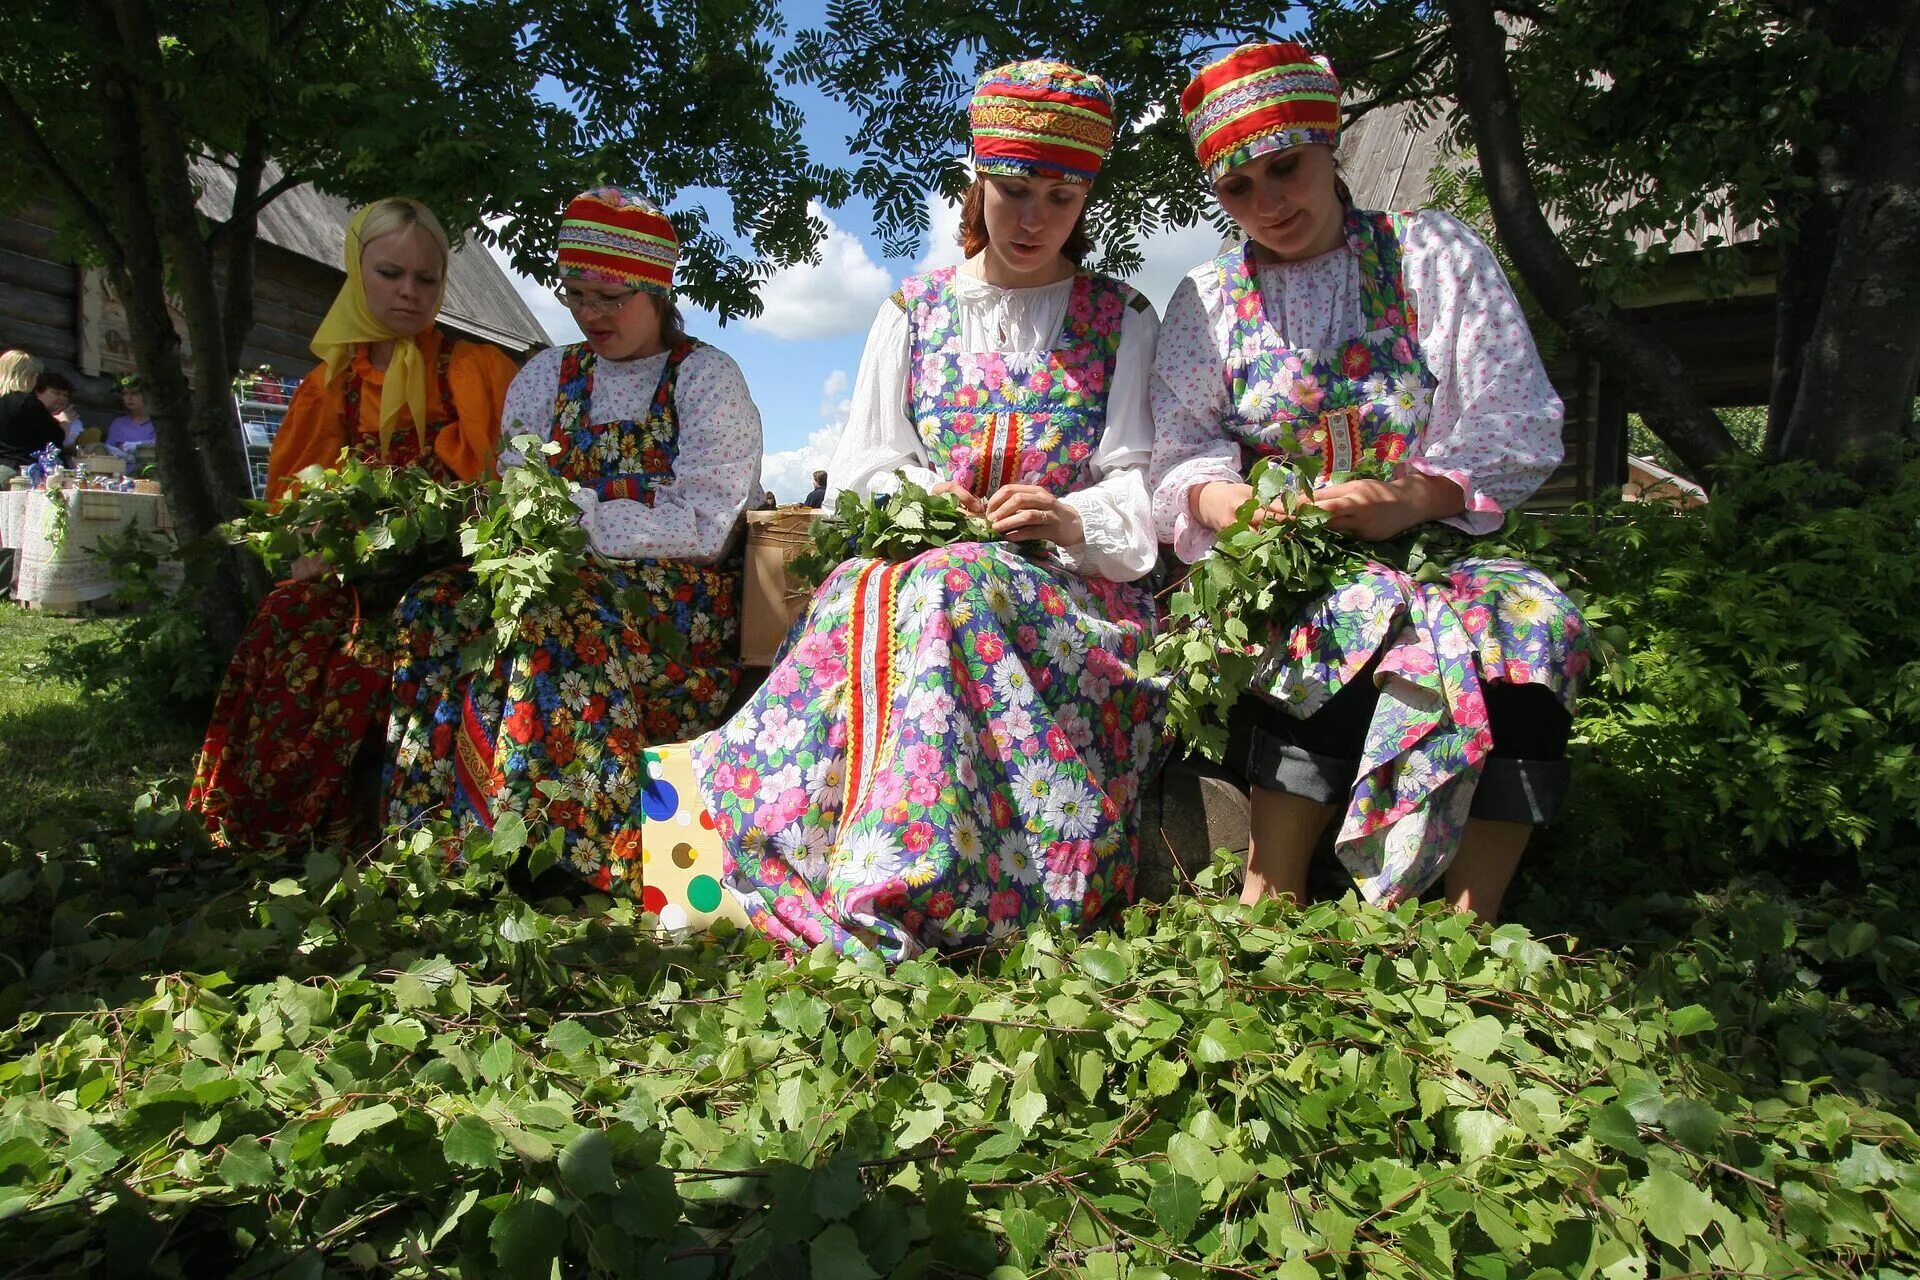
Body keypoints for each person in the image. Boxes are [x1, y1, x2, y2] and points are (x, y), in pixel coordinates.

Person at [693, 60, 1169, 960]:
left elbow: (1141, 485)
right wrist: (923, 497)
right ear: (976, 182)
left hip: (1072, 601)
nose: (1032, 220)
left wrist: (1067, 517)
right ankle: (780, 844)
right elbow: (864, 470)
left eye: (1060, 198)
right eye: (1014, 189)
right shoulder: (912, 312)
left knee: (948, 586)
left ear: (1086, 201)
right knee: (865, 593)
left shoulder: (1121, 318)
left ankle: (916, 882)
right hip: (924, 573)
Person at [1150, 43, 1587, 923]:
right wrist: (1230, 504)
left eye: (1286, 169)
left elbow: (1517, 412)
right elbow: (1178, 448)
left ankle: (1471, 917)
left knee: (1532, 626)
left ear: (1329, 144)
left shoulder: (1429, 255)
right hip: (1282, 556)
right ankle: (1271, 889)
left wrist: (1418, 496)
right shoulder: (1209, 299)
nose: (1269, 203)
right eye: (1238, 188)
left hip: (1435, 546)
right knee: (1339, 616)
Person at [386, 187, 761, 892]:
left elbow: (707, 524)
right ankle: (436, 836)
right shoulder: (545, 377)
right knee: (431, 605)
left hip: (677, 597)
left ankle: (563, 855)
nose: (590, 314)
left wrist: (574, 518)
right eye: (576, 294)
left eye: (611, 297)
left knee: (559, 615)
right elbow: (516, 487)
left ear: (657, 288)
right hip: (558, 573)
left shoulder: (705, 379)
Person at [189, 197, 520, 848]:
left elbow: (501, 485)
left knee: (419, 624)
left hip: (454, 569)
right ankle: (282, 829)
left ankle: (419, 833)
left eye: (426, 279)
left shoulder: (473, 370)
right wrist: (313, 548)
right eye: (390, 274)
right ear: (355, 272)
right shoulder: (331, 385)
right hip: (352, 568)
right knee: (294, 617)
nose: (409, 292)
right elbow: (299, 501)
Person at [0, 369, 65, 476]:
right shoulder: (26, 402)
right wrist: (64, 425)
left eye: (65, 395)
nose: (61, 398)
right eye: (56, 393)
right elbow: (54, 437)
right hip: (21, 469)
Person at [104, 376, 156, 455]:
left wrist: (130, 447)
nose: (129, 398)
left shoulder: (156, 424)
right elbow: (107, 451)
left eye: (134, 393)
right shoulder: (118, 423)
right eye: (125, 394)